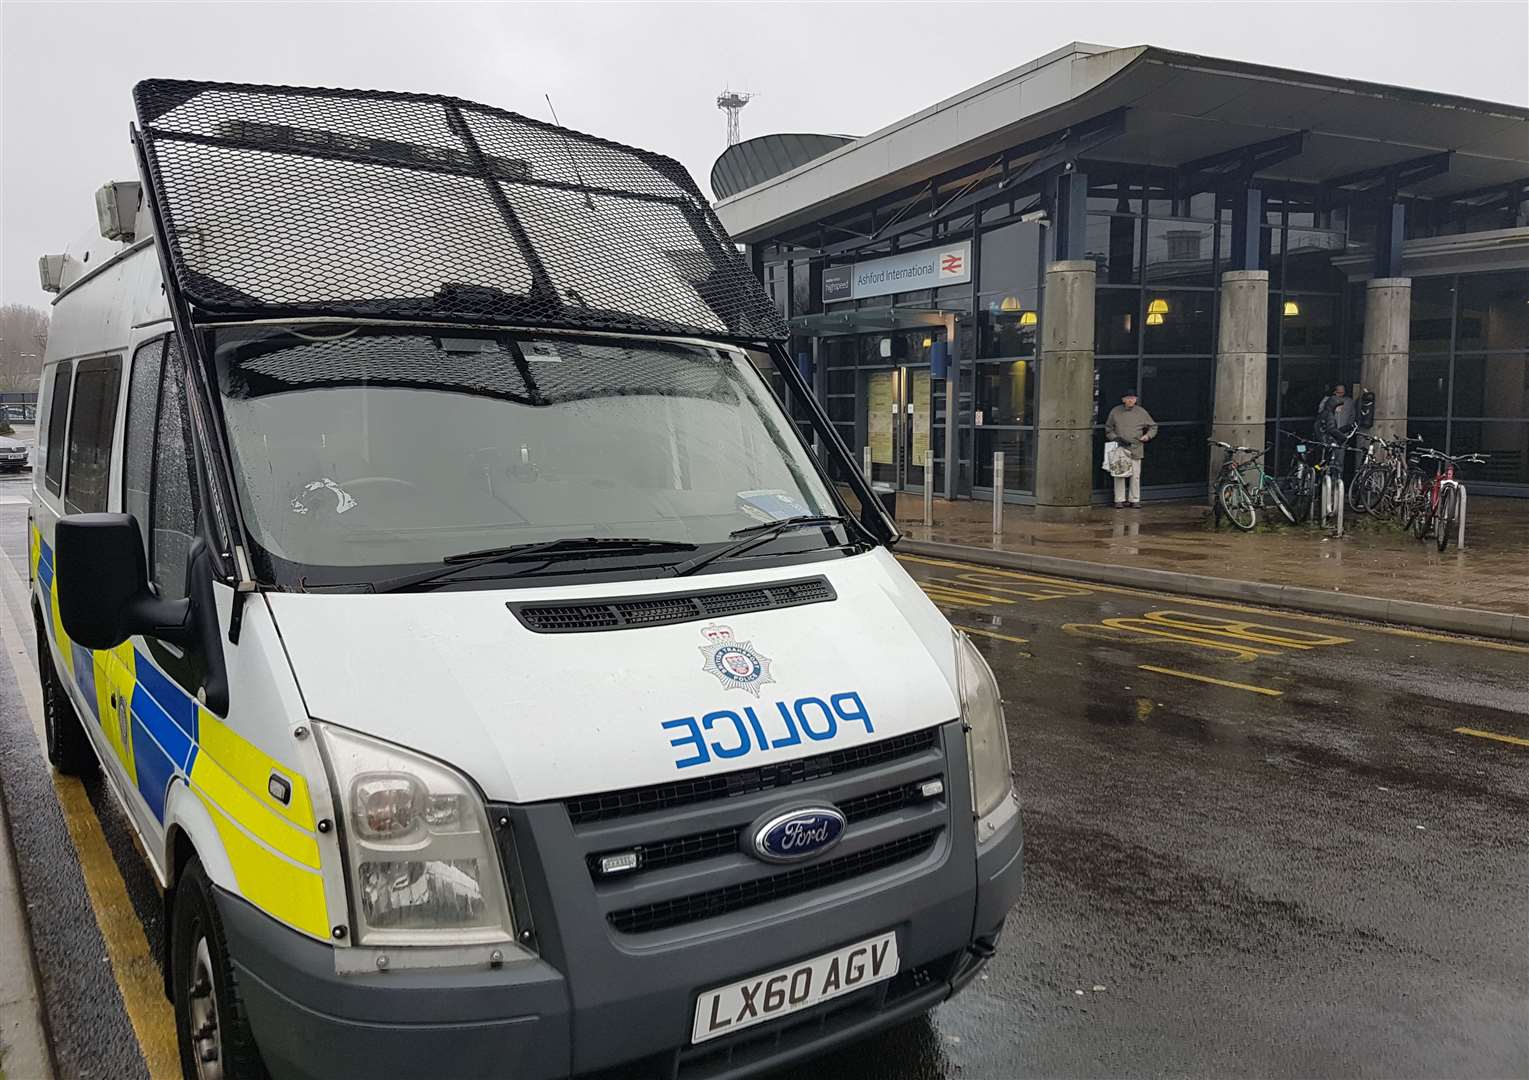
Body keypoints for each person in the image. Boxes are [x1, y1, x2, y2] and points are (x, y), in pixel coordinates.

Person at [1104, 391, 1158, 508]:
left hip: (1136, 447)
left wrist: (1147, 436)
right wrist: (1115, 438)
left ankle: (1135, 499)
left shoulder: (1141, 412)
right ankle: (1119, 500)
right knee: (1119, 474)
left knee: (1135, 475)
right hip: (1120, 447)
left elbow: (1153, 426)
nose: (1131, 400)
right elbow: (1108, 429)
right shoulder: (1115, 411)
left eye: (1133, 398)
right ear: (1123, 399)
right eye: (1128, 398)